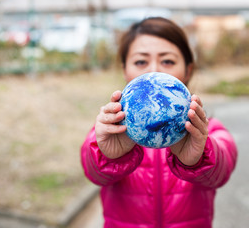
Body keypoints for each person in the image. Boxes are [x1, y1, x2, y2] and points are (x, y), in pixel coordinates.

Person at [80, 17, 237, 228]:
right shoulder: (112, 128)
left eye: (168, 61)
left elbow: (223, 167)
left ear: (188, 71)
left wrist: (199, 156)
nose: (154, 71)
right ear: (125, 70)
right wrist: (108, 155)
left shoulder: (207, 131)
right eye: (140, 62)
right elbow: (92, 171)